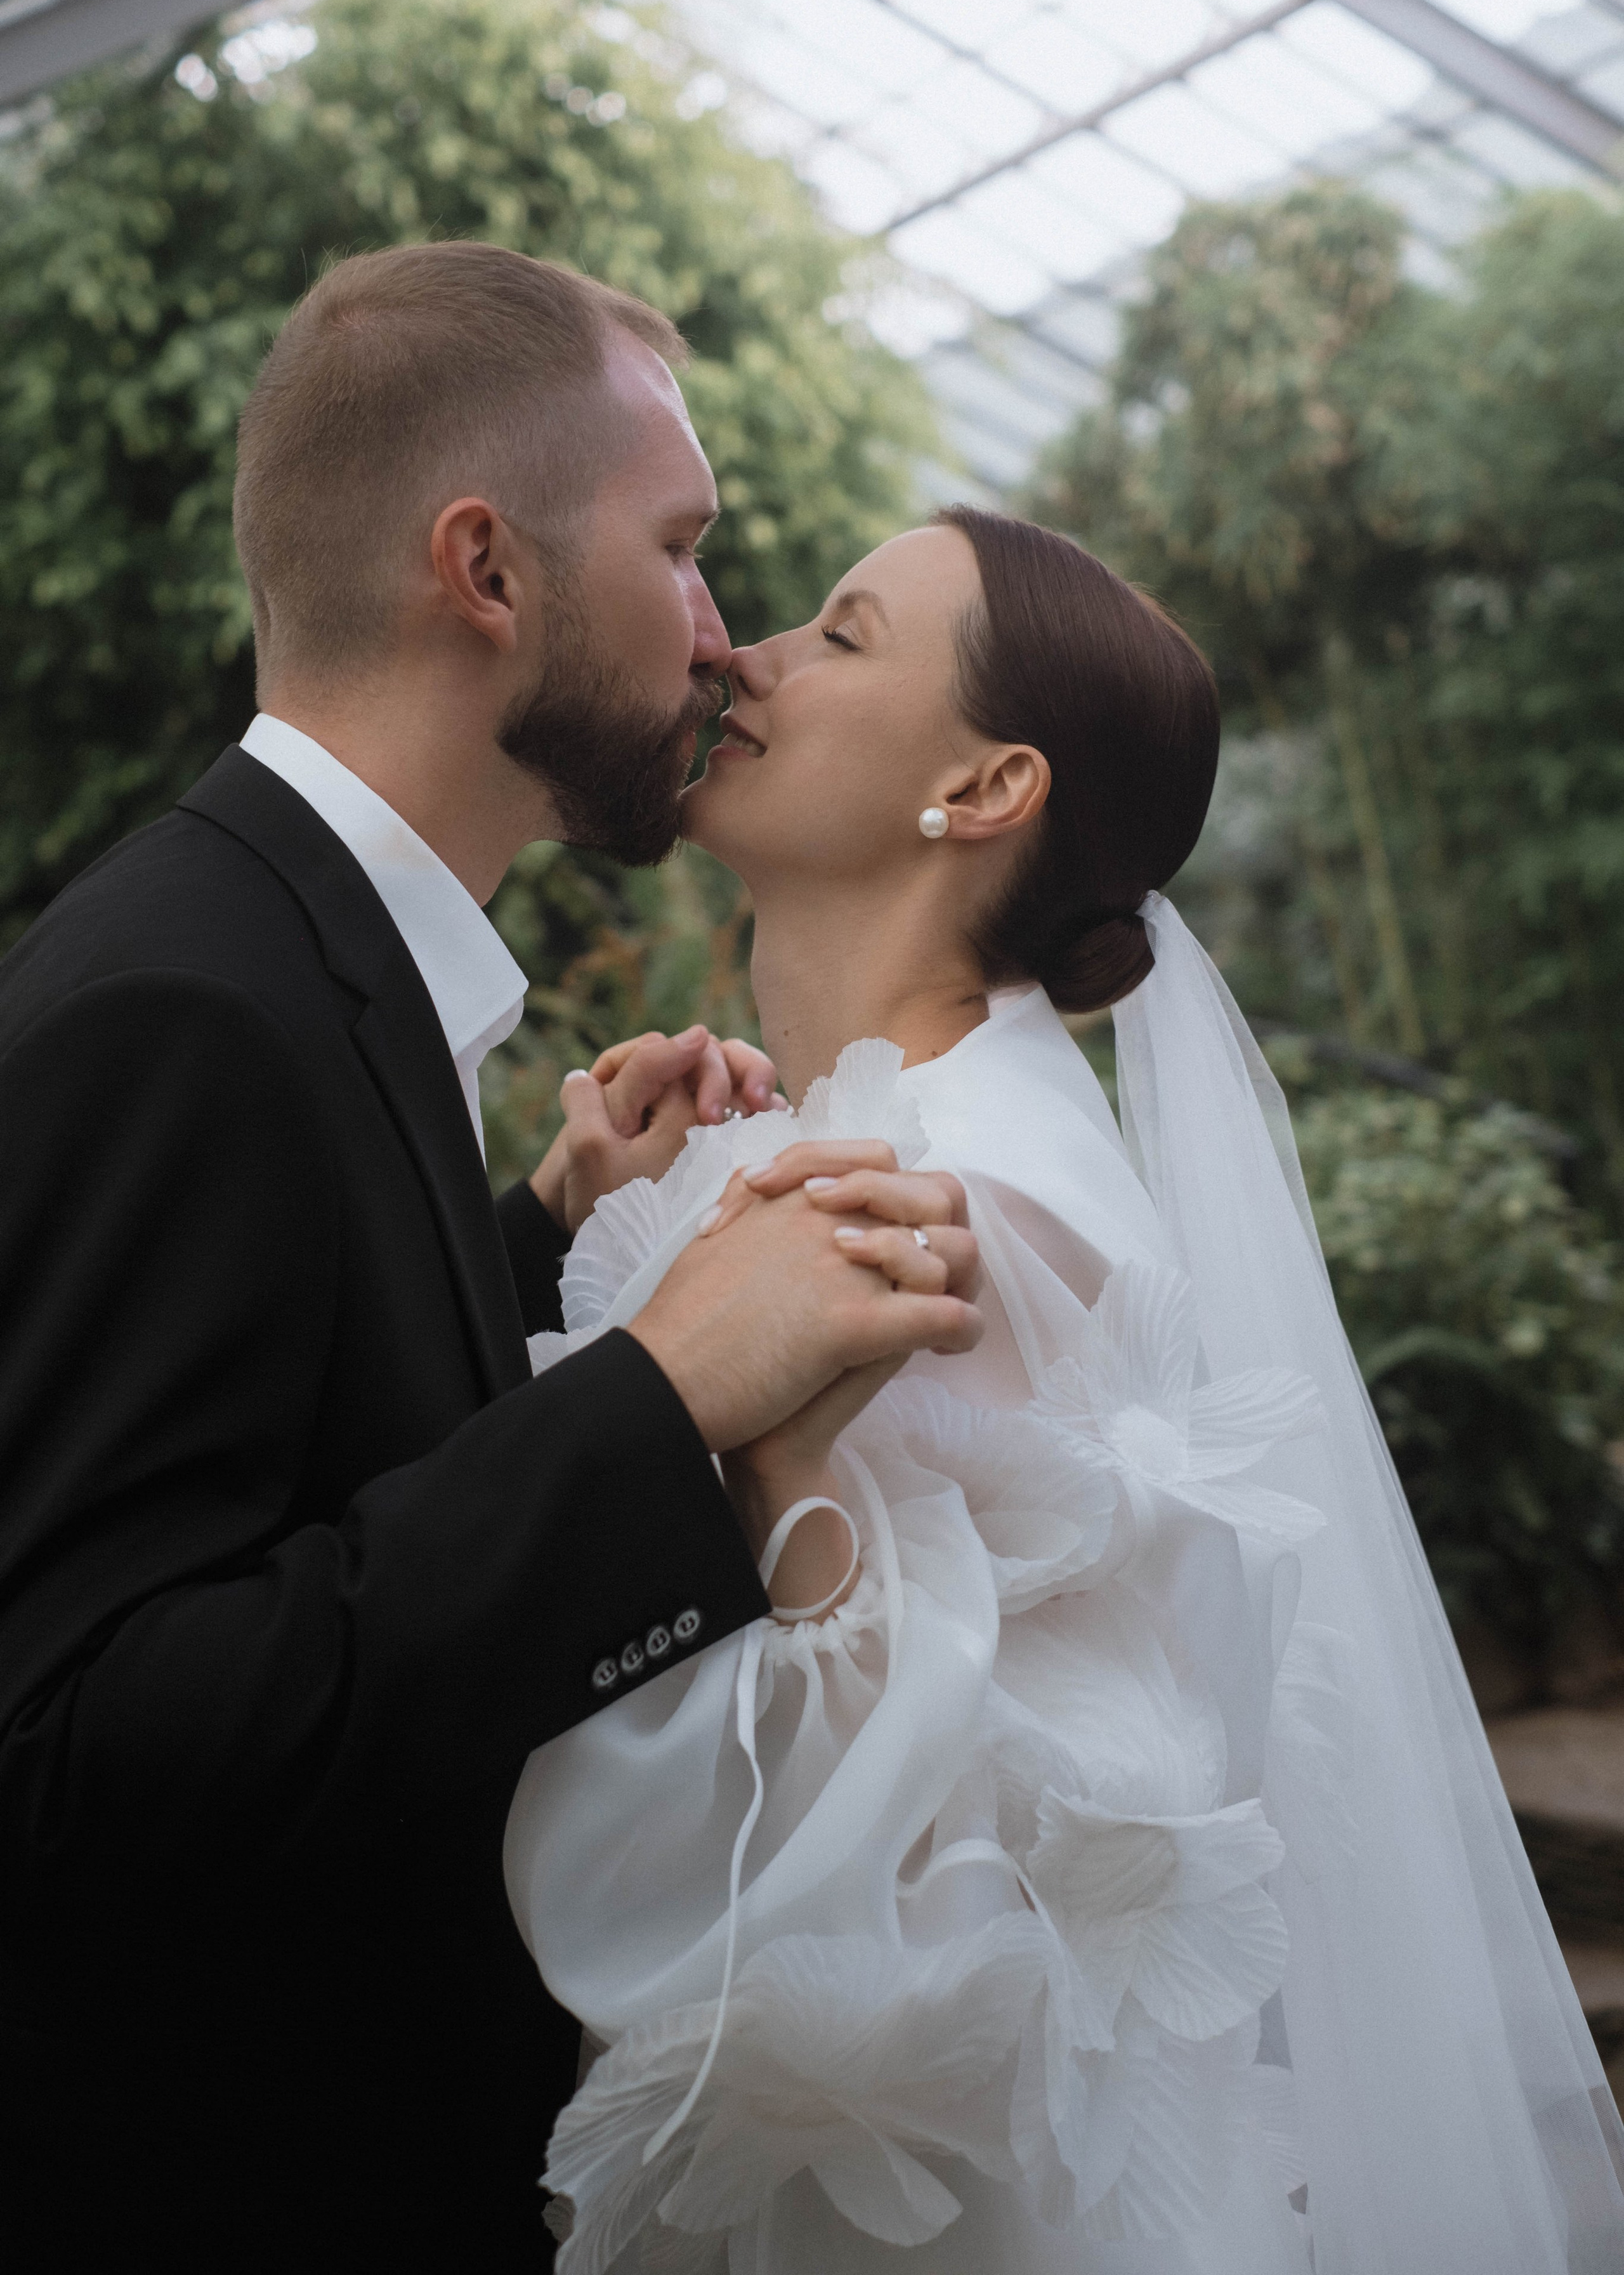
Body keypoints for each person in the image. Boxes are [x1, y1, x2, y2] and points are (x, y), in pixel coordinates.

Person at [0, 244, 985, 2271]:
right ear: (490, 572)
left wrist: (531, 1252)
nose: (724, 638)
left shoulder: (289, 963)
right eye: (684, 548)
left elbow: (287, 1449)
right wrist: (662, 1392)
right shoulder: (185, 1005)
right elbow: (78, 1750)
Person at [509, 509, 1624, 2271]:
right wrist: (593, 1228)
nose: (751, 652)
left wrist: (753, 1473)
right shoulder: (875, 1142)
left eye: (845, 635)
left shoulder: (979, 1209)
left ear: (984, 786)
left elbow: (866, 1829)